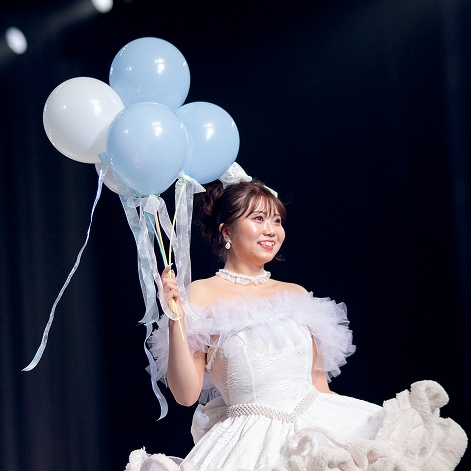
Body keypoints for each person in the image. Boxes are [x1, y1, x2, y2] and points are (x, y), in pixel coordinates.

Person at [125, 177, 467, 471]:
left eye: (277, 220)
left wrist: (355, 433)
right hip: (248, 442)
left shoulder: (295, 294)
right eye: (259, 218)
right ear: (226, 230)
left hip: (314, 425)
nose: (271, 230)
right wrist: (175, 319)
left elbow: (319, 387)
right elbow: (186, 395)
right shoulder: (202, 293)